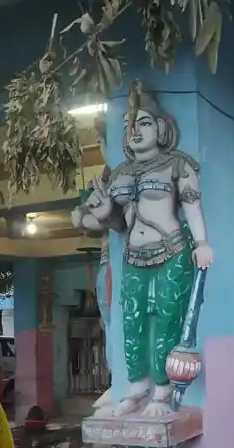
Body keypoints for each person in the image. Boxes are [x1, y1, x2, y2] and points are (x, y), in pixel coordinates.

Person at [71, 82, 213, 418]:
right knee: (131, 320)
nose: (135, 131)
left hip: (173, 250)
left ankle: (163, 392)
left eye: (144, 123)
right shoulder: (120, 173)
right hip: (133, 255)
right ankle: (137, 387)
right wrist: (104, 211)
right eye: (128, 126)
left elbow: (192, 208)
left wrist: (203, 244)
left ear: (161, 128)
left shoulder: (178, 165)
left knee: (168, 321)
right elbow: (120, 225)